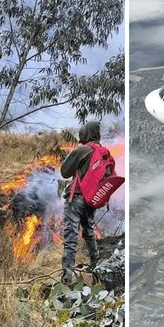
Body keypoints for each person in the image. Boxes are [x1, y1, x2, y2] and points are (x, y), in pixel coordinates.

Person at [60, 121, 102, 285]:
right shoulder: (102, 152)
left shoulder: (83, 150)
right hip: (92, 200)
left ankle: (67, 277)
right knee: (89, 233)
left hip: (76, 199)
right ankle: (97, 269)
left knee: (71, 237)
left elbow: (65, 172)